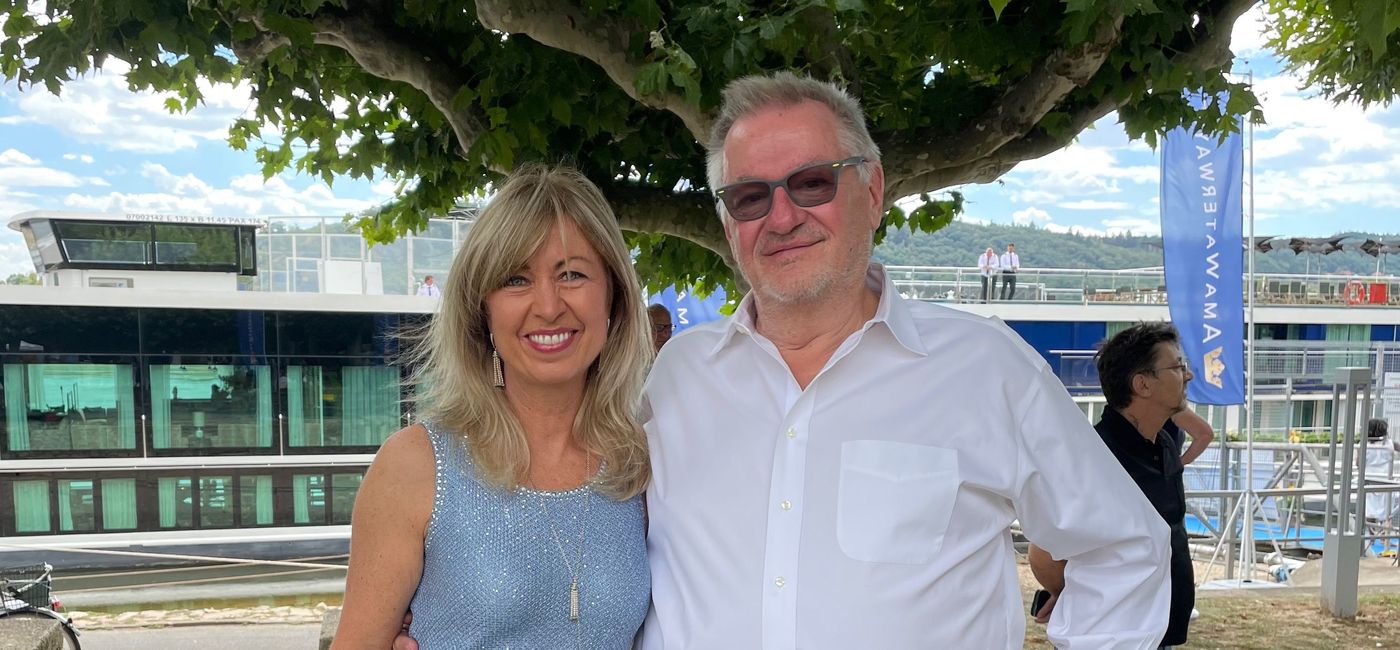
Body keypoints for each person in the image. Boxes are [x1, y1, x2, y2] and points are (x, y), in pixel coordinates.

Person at [640, 71, 1170, 648]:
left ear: (871, 192)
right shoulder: (676, 376)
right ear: (728, 221)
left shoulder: (985, 367)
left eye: (813, 182)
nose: (783, 216)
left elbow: (1125, 549)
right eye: (749, 197)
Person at [341, 164, 653, 649]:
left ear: (613, 298)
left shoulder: (641, 465)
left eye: (572, 274)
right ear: (481, 308)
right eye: (515, 279)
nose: (548, 306)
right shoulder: (417, 466)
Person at [1029, 322, 1195, 649]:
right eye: (1177, 367)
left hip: (1158, 634)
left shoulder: (1164, 443)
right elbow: (1043, 553)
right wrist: (1080, 593)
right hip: (1111, 638)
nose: (1187, 375)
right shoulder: (1094, 456)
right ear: (1142, 384)